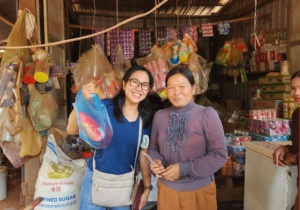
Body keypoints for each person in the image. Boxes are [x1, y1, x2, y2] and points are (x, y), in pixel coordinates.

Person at [67, 65, 154, 210]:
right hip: (95, 181)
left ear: (148, 91)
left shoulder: (144, 122)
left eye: (145, 85)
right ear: (124, 84)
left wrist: (147, 188)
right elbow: (71, 129)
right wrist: (84, 102)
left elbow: (143, 157)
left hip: (124, 186)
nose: (139, 88)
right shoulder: (105, 108)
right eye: (134, 82)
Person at [148, 66, 228, 210]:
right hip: (167, 191)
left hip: (199, 191)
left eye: (182, 86)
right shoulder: (159, 116)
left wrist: (183, 169)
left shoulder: (207, 114)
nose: (176, 92)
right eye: (171, 87)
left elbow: (219, 155)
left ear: (193, 88)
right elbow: (153, 148)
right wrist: (156, 162)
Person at [273, 70, 300, 210]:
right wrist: (286, 148)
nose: (296, 93)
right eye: (293, 88)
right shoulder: (296, 115)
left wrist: (293, 157)